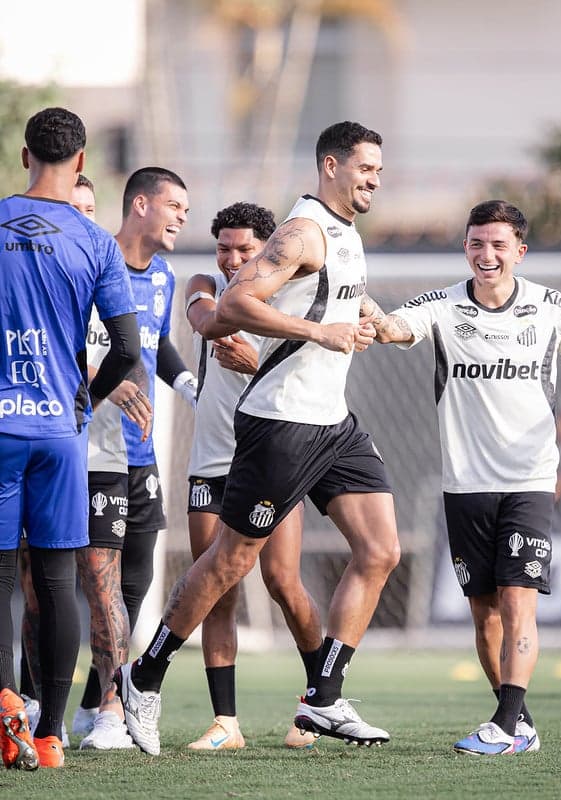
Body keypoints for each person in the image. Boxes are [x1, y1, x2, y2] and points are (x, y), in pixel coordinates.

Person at [115, 120, 401, 756]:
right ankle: (145, 674)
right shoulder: (302, 232)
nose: (375, 180)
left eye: (379, 170)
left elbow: (338, 301)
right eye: (365, 168)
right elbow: (233, 306)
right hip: (282, 423)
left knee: (380, 550)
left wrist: (377, 322)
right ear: (331, 166)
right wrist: (319, 332)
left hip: (333, 424)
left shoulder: (347, 233)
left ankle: (323, 696)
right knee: (231, 562)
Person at [368, 199, 561, 755]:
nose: (487, 254)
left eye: (499, 245)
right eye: (477, 243)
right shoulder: (441, 306)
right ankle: (519, 722)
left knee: (518, 598)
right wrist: (364, 308)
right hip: (465, 485)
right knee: (485, 617)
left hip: (530, 480)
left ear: (519, 252)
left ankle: (503, 726)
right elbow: (391, 329)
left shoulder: (550, 307)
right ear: (465, 248)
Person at [0, 107, 139, 769]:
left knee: (2, 579)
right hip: (59, 430)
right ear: (81, 161)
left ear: (25, 155)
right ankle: (51, 735)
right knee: (57, 582)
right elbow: (128, 349)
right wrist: (87, 397)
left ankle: (8, 706)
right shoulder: (96, 242)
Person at [185, 202, 322, 750]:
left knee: (283, 583)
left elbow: (304, 380)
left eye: (245, 249)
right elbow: (202, 315)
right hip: (210, 464)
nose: (232, 257)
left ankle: (321, 702)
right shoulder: (205, 286)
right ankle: (226, 723)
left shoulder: (290, 302)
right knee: (215, 590)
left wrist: (255, 364)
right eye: (224, 247)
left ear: (269, 250)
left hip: (270, 463)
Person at [71, 167, 197, 751]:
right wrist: (104, 380)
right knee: (87, 583)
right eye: (174, 206)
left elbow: (156, 343)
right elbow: (63, 345)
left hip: (140, 450)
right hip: (93, 448)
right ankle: (106, 708)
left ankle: (90, 702)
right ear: (140, 204)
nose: (181, 218)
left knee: (136, 582)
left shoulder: (165, 275)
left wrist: (190, 385)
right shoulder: (91, 264)